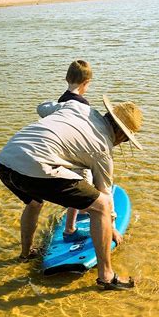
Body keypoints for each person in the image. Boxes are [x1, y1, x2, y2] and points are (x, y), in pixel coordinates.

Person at [0, 94, 143, 290]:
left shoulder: (77, 106)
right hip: (35, 167)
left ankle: (26, 254)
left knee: (34, 202)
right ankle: (107, 276)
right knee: (101, 206)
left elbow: (42, 108)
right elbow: (105, 195)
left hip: (6, 161)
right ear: (122, 134)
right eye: (125, 140)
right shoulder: (102, 149)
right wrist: (112, 224)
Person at [43, 60, 94, 243]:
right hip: (74, 153)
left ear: (66, 78)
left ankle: (80, 211)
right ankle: (70, 229)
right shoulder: (82, 104)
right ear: (86, 83)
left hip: (59, 150)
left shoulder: (61, 100)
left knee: (73, 184)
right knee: (80, 186)